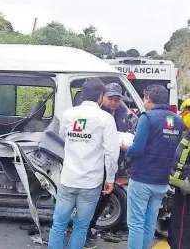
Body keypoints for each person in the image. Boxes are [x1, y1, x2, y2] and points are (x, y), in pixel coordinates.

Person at [48, 78, 120, 249]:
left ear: (82, 95)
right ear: (101, 96)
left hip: (68, 178)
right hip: (90, 182)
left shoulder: (68, 114)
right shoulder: (105, 118)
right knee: (81, 227)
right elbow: (111, 151)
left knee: (58, 224)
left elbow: (63, 140)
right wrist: (110, 179)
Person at [121, 84, 184, 249]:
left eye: (144, 99)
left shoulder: (147, 117)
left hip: (142, 178)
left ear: (148, 99)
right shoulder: (177, 120)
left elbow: (137, 149)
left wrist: (124, 147)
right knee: (150, 222)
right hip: (162, 181)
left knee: (136, 223)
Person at [85, 82, 131, 249]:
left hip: (113, 163)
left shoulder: (123, 113)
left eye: (117, 99)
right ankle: (85, 229)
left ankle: (90, 225)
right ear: (102, 97)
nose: (114, 102)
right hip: (96, 162)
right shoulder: (97, 115)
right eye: (110, 98)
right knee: (91, 198)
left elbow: (126, 133)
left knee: (104, 198)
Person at [168, 98, 190, 249]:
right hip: (181, 187)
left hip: (186, 189)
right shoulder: (187, 133)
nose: (183, 114)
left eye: (186, 111)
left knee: (182, 225)